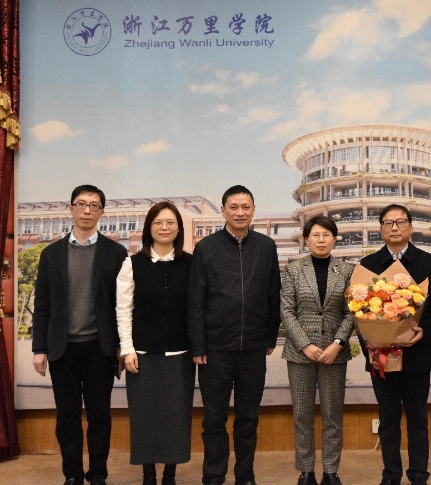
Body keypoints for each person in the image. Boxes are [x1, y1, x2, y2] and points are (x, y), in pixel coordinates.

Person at [32, 184, 128, 485]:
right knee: (67, 417)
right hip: (63, 350)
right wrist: (39, 349)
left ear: (102, 212)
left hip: (100, 349)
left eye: (94, 205)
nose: (87, 210)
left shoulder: (116, 253)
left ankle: (98, 474)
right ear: (71, 208)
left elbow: (123, 305)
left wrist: (122, 347)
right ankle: (72, 475)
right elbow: (42, 304)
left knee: (100, 416)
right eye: (81, 204)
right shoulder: (51, 254)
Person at [188, 184, 281, 485]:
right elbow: (196, 300)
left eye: (246, 207)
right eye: (234, 207)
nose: (240, 212)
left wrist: (270, 337)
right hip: (215, 349)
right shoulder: (206, 248)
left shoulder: (266, 247)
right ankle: (214, 475)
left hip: (253, 348)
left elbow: (273, 293)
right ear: (223, 210)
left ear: (253, 210)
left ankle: (245, 475)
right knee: (214, 419)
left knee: (248, 419)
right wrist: (198, 345)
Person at [359, 204, 431, 485]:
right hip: (380, 356)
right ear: (381, 229)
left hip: (416, 354)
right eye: (388, 223)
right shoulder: (368, 264)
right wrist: (370, 342)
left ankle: (419, 475)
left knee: (417, 418)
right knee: (387, 419)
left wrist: (424, 329)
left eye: (400, 222)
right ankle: (391, 475)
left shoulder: (427, 262)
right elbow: (357, 311)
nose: (394, 227)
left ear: (410, 226)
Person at [116, 202, 194, 485]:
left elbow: (197, 309)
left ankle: (170, 474)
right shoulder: (132, 264)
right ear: (149, 228)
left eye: (170, 222)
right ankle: (148, 474)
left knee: (176, 418)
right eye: (158, 222)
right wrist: (127, 349)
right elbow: (123, 309)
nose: (164, 227)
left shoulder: (191, 264)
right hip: (142, 356)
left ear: (178, 229)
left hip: (180, 355)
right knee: (145, 417)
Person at [280, 215, 354, 485]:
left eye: (326, 235)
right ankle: (306, 471)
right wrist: (305, 345)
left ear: (335, 239)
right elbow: (286, 311)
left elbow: (352, 312)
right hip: (299, 354)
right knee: (302, 415)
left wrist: (338, 343)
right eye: (315, 235)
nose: (321, 240)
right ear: (306, 239)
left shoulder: (346, 271)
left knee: (333, 415)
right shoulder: (293, 270)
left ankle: (331, 471)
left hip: (335, 354)